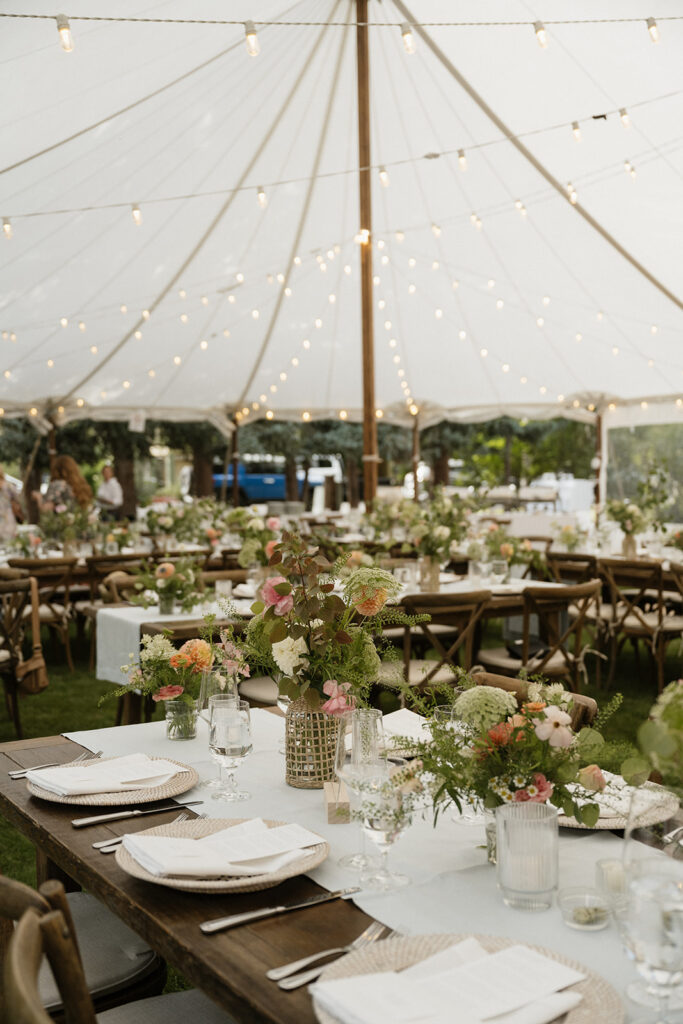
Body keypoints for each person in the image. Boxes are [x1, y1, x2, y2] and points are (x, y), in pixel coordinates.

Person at [0, 465, 22, 542]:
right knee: (9, 541)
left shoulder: (8, 486)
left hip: (6, 516)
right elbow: (17, 499)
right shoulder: (8, 485)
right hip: (7, 516)